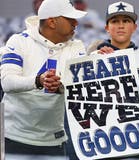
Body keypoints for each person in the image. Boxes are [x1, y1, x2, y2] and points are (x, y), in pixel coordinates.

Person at [1, 0, 87, 158]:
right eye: (70, 19)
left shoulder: (77, 46)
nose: (76, 23)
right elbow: (7, 82)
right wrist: (38, 81)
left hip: (53, 140)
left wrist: (60, 87)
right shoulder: (19, 41)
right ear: (52, 22)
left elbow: (81, 87)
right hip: (13, 137)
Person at [89, 1, 139, 159]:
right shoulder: (95, 57)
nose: (121, 25)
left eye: (126, 21)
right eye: (115, 21)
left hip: (137, 140)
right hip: (103, 141)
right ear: (107, 27)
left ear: (134, 27)